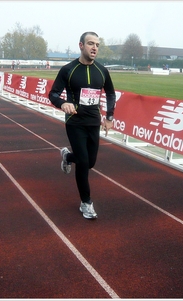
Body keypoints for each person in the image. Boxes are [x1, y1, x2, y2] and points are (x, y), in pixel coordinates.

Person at [48, 31, 116, 219]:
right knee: (84, 162)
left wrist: (109, 117)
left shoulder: (102, 71)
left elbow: (110, 93)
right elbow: (53, 94)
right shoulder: (68, 70)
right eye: (90, 44)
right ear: (81, 46)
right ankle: (86, 203)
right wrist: (63, 103)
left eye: (97, 45)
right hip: (75, 122)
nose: (95, 48)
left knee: (90, 162)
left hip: (93, 121)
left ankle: (67, 156)